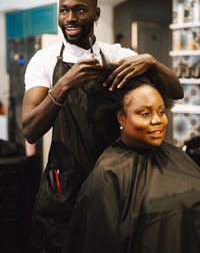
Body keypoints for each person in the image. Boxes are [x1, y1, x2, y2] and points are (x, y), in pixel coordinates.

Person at [22, 0, 184, 253]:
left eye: (80, 10)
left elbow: (176, 91)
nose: (70, 17)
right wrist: (64, 85)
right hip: (65, 184)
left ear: (96, 13)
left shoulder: (116, 54)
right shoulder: (45, 61)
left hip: (115, 178)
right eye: (64, 10)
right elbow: (30, 130)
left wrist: (151, 62)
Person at [63, 66, 200, 253]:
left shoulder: (178, 157)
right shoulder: (109, 175)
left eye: (161, 112)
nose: (157, 120)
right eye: (145, 113)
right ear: (121, 117)